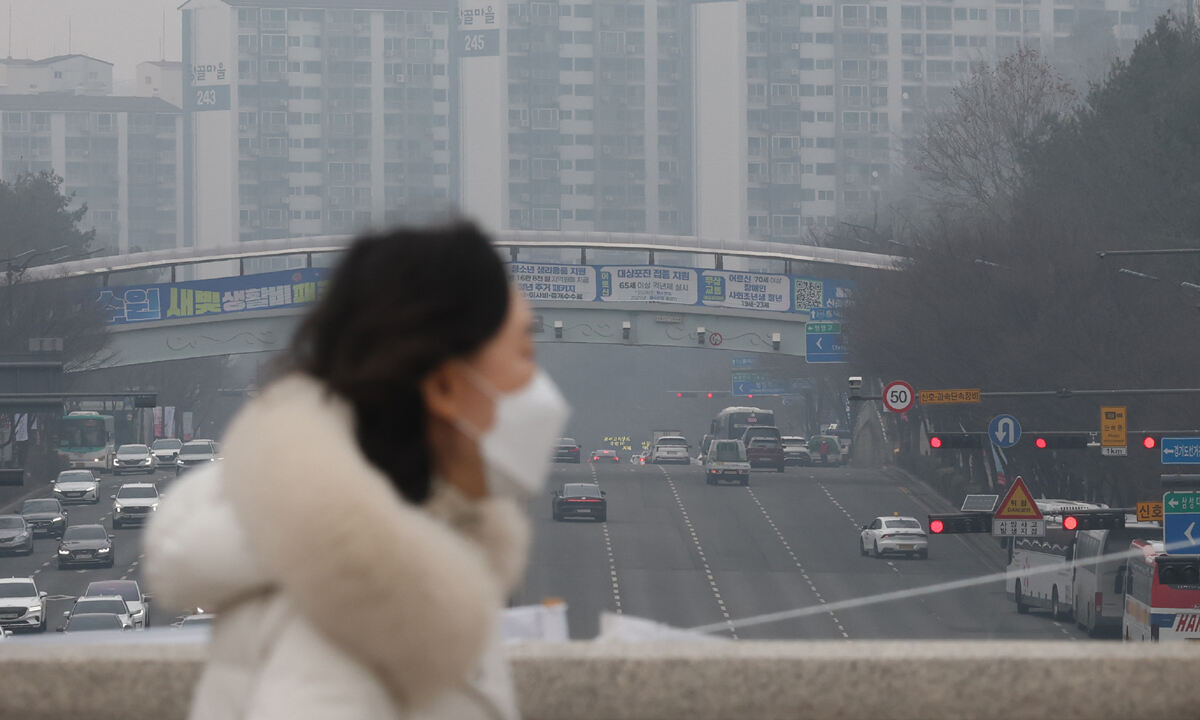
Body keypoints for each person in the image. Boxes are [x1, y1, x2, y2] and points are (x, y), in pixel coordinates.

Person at [145, 222, 569, 720]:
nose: (539, 385)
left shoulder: (377, 583)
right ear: (445, 387)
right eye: (524, 354)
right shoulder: (350, 625)